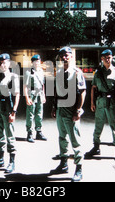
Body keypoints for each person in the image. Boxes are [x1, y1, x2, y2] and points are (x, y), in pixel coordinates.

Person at [50, 47, 86, 182]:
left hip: (71, 109)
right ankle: (63, 164)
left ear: (71, 56)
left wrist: (78, 109)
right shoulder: (59, 72)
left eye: (66, 55)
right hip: (60, 108)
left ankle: (79, 168)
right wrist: (54, 107)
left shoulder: (77, 72)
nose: (63, 58)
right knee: (62, 137)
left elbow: (82, 92)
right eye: (61, 56)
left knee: (75, 139)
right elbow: (56, 91)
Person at [85, 49, 115, 161]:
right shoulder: (98, 73)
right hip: (100, 102)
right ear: (102, 59)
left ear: (112, 58)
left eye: (109, 57)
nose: (107, 59)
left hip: (112, 102)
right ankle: (96, 147)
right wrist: (92, 102)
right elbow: (93, 88)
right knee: (98, 125)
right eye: (105, 58)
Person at [0, 53, 20, 173]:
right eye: (0, 62)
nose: (2, 64)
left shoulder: (13, 77)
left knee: (10, 135)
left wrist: (14, 111)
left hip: (8, 108)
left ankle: (12, 161)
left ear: (9, 63)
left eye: (5, 62)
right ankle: (0, 159)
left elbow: (17, 94)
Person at [23, 54, 47, 143]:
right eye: (35, 61)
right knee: (30, 114)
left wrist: (43, 95)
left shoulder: (41, 71)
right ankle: (29, 133)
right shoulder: (28, 72)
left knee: (39, 114)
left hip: (39, 93)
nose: (37, 63)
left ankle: (39, 132)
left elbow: (42, 84)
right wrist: (27, 98)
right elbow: (25, 86)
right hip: (32, 94)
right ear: (32, 63)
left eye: (38, 61)